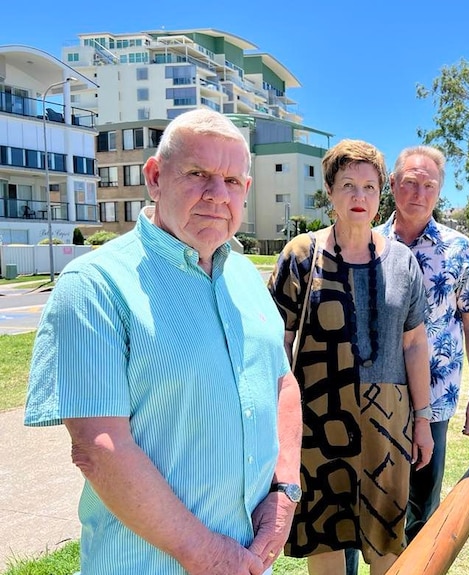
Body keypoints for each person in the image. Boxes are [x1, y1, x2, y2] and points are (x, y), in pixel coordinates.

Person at [24, 108, 302, 575]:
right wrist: (207, 554)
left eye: (232, 181)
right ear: (155, 177)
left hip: (248, 561)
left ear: (246, 193)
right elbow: (99, 446)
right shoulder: (95, 285)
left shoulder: (246, 278)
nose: (217, 195)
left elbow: (282, 383)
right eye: (198, 174)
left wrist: (284, 492)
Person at [267, 139, 433, 575]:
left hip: (389, 420)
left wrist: (422, 418)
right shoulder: (301, 256)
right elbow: (278, 342)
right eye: (347, 186)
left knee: (385, 537)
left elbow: (415, 343)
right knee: (325, 531)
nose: (359, 197)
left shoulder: (402, 262)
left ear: (381, 194)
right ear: (330, 191)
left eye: (369, 187)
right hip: (319, 418)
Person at [379, 145, 469, 540]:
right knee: (371, 503)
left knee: (422, 508)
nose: (419, 193)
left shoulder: (459, 249)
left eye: (429, 185)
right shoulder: (368, 243)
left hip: (436, 396)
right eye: (410, 183)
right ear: (393, 185)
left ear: (439, 192)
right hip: (375, 397)